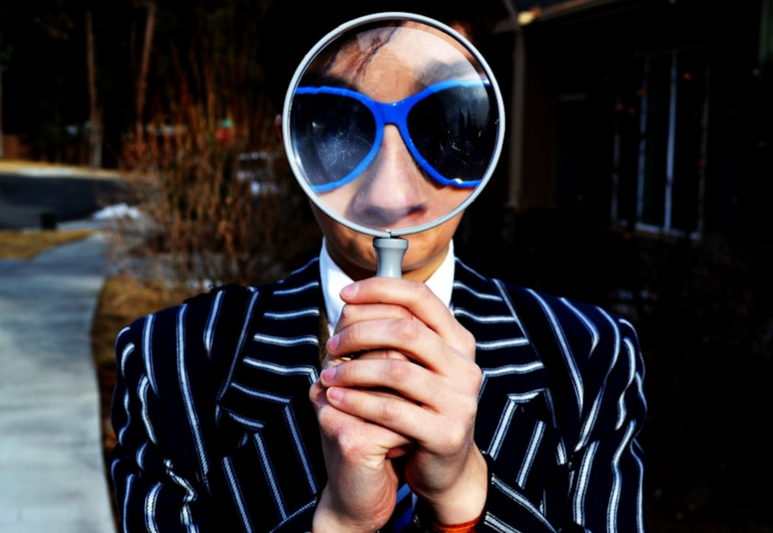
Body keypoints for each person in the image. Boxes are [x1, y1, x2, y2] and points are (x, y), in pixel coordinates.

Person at [110, 2, 647, 532]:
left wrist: (467, 496)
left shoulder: (589, 357)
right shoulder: (173, 363)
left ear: (488, 133)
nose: (390, 198)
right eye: (341, 128)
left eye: (441, 121)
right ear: (291, 146)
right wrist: (339, 523)